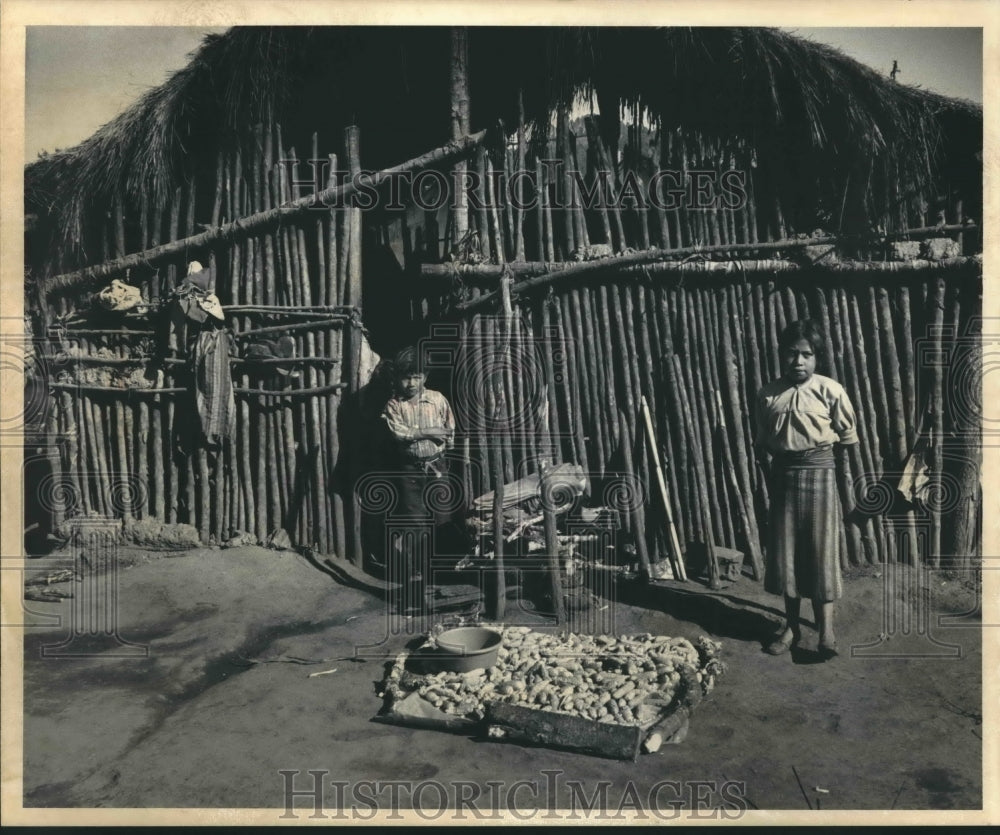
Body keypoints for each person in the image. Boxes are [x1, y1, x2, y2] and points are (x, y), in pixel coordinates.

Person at [755, 319, 858, 660]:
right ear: (781, 355)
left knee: (820, 550)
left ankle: (826, 629)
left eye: (806, 355)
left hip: (820, 474)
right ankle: (791, 627)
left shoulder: (832, 390)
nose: (798, 362)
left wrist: (826, 467)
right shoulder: (768, 394)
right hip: (784, 476)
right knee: (787, 555)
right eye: (791, 354)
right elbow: (764, 441)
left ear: (817, 358)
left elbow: (846, 439)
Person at [381, 347, 456, 608]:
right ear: (397, 378)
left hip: (436, 466)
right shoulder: (394, 405)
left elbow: (448, 432)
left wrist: (425, 433)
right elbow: (399, 434)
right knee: (414, 524)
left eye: (416, 376)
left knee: (442, 519)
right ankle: (418, 577)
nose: (411, 383)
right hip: (409, 470)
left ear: (425, 375)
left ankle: (440, 578)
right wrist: (428, 431)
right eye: (405, 377)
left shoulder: (437, 399)